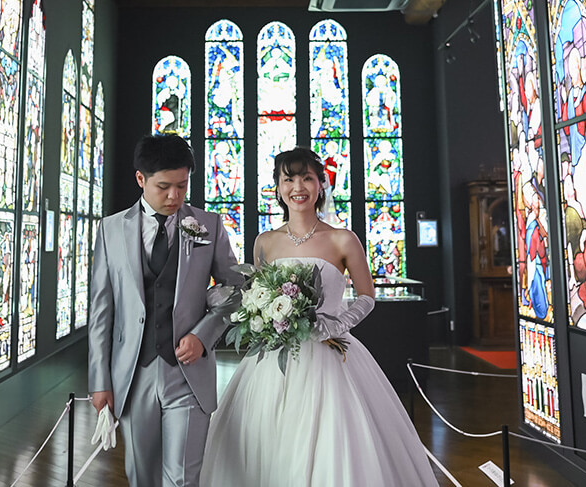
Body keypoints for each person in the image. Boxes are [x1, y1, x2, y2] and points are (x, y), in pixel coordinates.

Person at [200, 147, 437, 486]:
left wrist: (336, 324)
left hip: (331, 352)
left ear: (322, 184)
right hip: (276, 359)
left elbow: (367, 296)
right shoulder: (265, 242)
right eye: (288, 179)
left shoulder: (343, 239)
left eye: (307, 178)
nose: (298, 187)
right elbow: (259, 294)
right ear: (278, 188)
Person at [88, 134, 241, 487]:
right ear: (141, 179)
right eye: (164, 187)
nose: (174, 196)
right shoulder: (110, 230)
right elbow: (101, 312)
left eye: (182, 186)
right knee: (140, 475)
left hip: (188, 374)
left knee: (183, 478)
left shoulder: (209, 225)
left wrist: (204, 335)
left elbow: (235, 291)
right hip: (132, 372)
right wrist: (100, 381)